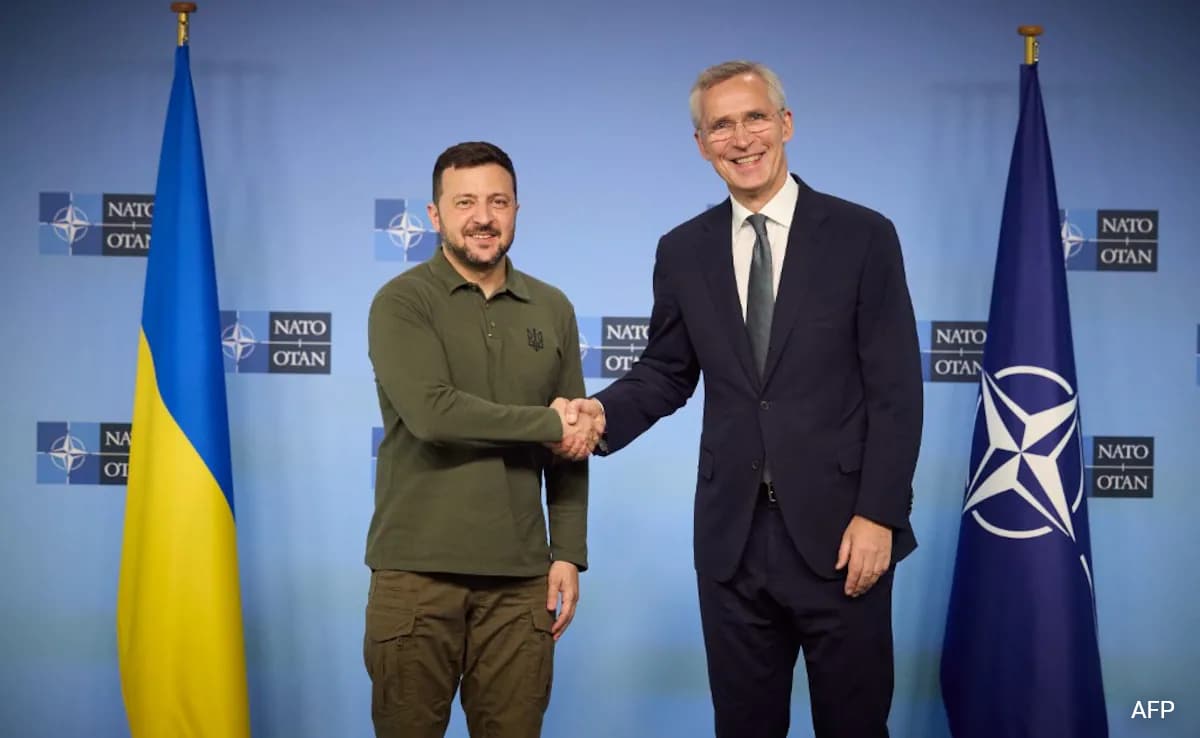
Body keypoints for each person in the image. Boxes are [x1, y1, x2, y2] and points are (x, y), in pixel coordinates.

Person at [566, 61, 923, 738]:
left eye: (755, 117)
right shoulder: (682, 250)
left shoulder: (862, 236)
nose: (741, 138)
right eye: (721, 125)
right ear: (702, 144)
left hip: (843, 536)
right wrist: (604, 413)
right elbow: (667, 370)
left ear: (785, 124)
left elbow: (897, 390)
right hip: (731, 541)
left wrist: (879, 514)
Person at [364, 141, 599, 738]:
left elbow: (572, 450)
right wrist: (550, 423)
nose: (483, 217)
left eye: (498, 201)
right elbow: (434, 415)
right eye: (464, 202)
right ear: (435, 214)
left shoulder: (552, 307)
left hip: (521, 583)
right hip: (416, 577)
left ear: (517, 209)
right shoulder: (401, 301)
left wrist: (567, 552)